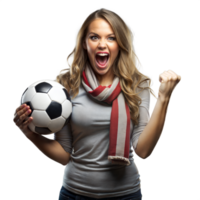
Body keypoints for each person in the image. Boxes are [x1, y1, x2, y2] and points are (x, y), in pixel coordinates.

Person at [11, 7, 183, 200]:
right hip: (74, 194)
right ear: (84, 43)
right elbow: (64, 155)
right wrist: (28, 133)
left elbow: (143, 151)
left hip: (126, 195)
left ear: (120, 44)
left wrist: (164, 98)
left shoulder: (137, 85)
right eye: (94, 37)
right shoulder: (67, 84)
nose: (102, 44)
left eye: (111, 37)